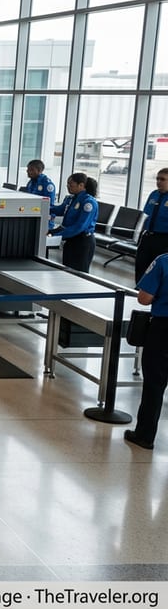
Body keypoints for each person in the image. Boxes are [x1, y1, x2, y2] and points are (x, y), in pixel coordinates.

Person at [127, 251, 168, 451]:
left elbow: (144, 298)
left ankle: (145, 435)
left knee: (155, 383)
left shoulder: (163, 262)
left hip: (163, 328)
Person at [49, 172, 99, 273]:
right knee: (67, 270)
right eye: (67, 184)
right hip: (71, 240)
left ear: (81, 185)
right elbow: (59, 210)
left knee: (79, 273)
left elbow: (79, 226)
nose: (68, 186)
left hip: (82, 241)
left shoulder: (88, 203)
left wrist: (58, 235)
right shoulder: (71, 199)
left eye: (71, 184)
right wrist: (41, 207)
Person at [135, 167, 168, 282]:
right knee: (141, 264)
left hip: (164, 239)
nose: (159, 182)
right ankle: (138, 290)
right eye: (157, 179)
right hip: (148, 236)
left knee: (158, 269)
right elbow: (146, 215)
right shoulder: (154, 194)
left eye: (162, 179)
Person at [23, 160, 57, 230]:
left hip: (44, 220)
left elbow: (49, 205)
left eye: (31, 170)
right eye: (28, 169)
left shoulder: (47, 184)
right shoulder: (31, 182)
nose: (28, 171)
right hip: (32, 216)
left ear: (39, 170)